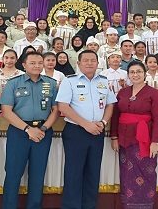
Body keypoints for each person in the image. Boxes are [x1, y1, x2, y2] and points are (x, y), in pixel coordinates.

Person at [0, 51, 60, 209]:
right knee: (13, 173)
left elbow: (56, 110)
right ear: (24, 65)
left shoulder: (51, 83)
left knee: (38, 175)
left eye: (40, 63)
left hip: (43, 132)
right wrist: (27, 129)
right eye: (32, 63)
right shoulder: (13, 83)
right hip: (19, 132)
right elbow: (6, 111)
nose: (37, 66)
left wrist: (44, 128)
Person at [56, 50, 117, 209]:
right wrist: (85, 124)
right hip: (76, 131)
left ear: (98, 63)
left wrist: (103, 122)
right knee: (74, 173)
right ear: (79, 63)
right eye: (86, 60)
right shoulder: (69, 81)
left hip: (97, 130)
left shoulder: (104, 81)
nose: (89, 63)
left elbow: (110, 104)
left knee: (93, 172)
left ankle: (89, 205)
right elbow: (63, 106)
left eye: (93, 60)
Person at [110, 61, 158, 209]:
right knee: (127, 172)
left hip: (144, 139)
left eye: (139, 71)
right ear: (128, 75)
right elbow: (116, 116)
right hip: (124, 139)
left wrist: (155, 142)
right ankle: (128, 204)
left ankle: (145, 204)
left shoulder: (154, 93)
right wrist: (114, 137)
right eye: (132, 72)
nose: (135, 75)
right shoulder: (123, 92)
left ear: (144, 73)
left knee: (146, 171)